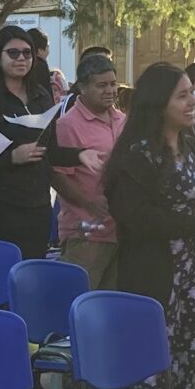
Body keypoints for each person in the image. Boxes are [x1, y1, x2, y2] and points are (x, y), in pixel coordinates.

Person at [103, 63, 195, 389]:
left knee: (184, 365)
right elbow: (136, 217)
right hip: (153, 275)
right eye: (182, 95)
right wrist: (192, 225)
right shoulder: (137, 156)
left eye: (192, 93)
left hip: (189, 277)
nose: (192, 102)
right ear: (158, 103)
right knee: (151, 368)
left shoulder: (189, 144)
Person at [0, 27, 91, 258]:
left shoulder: (41, 95)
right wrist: (11, 157)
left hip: (35, 205)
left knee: (29, 279)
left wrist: (79, 155)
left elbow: (49, 150)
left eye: (27, 53)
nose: (21, 59)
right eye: (13, 53)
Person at [52, 50, 126, 289]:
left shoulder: (122, 119)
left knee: (110, 310)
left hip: (120, 231)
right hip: (85, 234)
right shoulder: (67, 125)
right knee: (79, 307)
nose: (110, 91)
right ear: (82, 88)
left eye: (113, 84)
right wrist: (89, 203)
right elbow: (58, 177)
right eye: (101, 85)